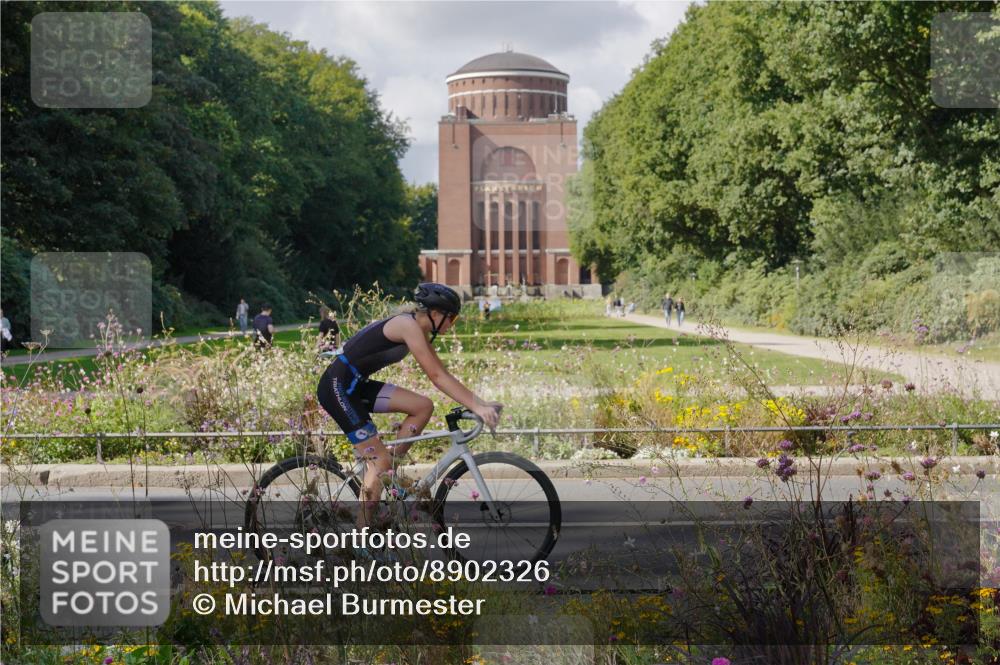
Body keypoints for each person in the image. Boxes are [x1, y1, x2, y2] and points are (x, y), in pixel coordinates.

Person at [316, 283, 502, 522]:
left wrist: (481, 403)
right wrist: (478, 406)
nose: (451, 325)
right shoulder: (408, 326)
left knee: (423, 407)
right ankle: (360, 542)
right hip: (337, 388)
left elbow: (441, 373)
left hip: (354, 384)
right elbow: (437, 376)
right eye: (451, 319)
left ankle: (389, 475)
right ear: (435, 314)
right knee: (379, 461)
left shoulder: (416, 328)